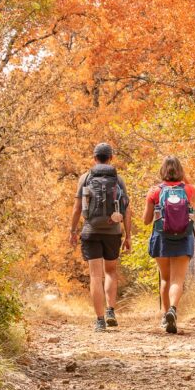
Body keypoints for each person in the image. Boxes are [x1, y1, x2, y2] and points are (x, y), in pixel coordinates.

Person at [69, 142, 132, 332]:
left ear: (94, 158)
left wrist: (72, 231)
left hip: (91, 231)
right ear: (111, 158)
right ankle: (111, 310)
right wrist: (128, 236)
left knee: (95, 276)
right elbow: (127, 210)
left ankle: (99, 321)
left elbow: (77, 208)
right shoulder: (118, 180)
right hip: (113, 232)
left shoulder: (85, 178)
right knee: (110, 271)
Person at [143, 155, 195, 334]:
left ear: (162, 171)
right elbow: (194, 211)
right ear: (180, 171)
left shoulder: (155, 191)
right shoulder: (189, 190)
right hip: (183, 237)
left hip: (161, 238)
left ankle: (166, 316)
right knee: (177, 279)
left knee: (165, 278)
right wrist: (183, 179)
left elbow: (146, 220)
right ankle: (174, 309)